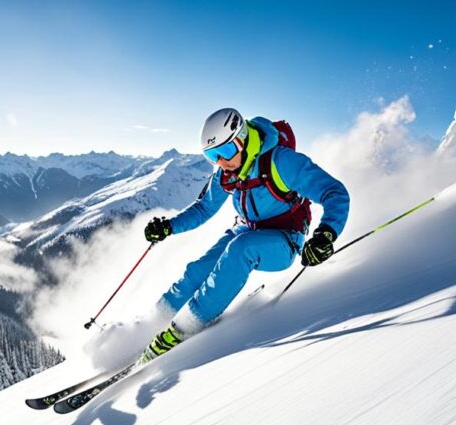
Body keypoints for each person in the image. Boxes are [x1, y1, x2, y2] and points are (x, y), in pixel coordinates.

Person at [139, 107, 350, 361]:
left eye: (225, 151)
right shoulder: (226, 173)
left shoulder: (281, 162)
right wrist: (169, 227)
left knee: (240, 250)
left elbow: (334, 192)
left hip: (284, 239)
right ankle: (152, 323)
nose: (221, 162)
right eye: (211, 156)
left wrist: (325, 234)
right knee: (198, 269)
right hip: (246, 229)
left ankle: (183, 328)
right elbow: (205, 208)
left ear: (242, 139)